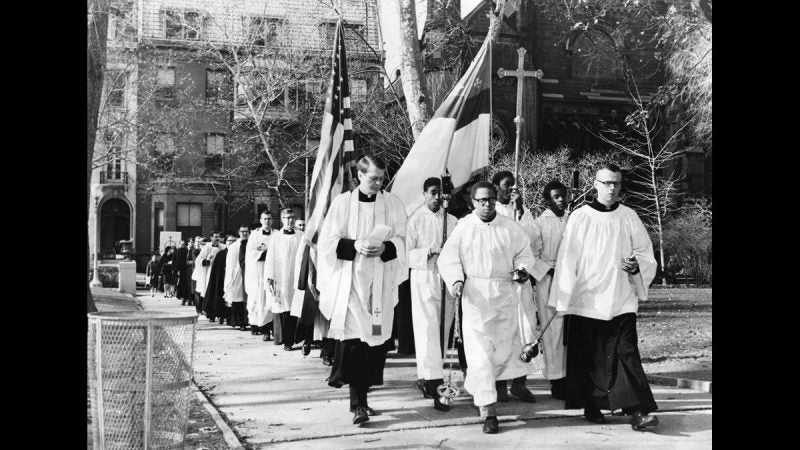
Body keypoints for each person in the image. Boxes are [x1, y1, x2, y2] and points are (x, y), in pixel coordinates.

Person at [551, 163, 659, 431]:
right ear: (595, 185)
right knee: (589, 358)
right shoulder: (580, 217)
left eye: (616, 184)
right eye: (607, 183)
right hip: (587, 299)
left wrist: (637, 266)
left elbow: (644, 252)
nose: (612, 188)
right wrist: (564, 296)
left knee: (626, 352)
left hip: (621, 296)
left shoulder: (629, 216)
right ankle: (591, 405)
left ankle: (638, 411)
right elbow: (567, 258)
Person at [437, 181, 536, 434]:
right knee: (479, 356)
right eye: (481, 200)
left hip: (504, 296)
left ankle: (482, 390)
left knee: (501, 354)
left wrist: (522, 271)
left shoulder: (510, 227)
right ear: (473, 202)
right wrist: (457, 280)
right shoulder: (464, 227)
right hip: (476, 298)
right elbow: (448, 258)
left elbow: (524, 255)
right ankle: (488, 410)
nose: (487, 204)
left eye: (491, 199)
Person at [317, 155, 407, 425]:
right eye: (373, 178)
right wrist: (354, 245)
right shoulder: (343, 203)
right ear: (359, 176)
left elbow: (404, 238)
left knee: (374, 344)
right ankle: (359, 404)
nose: (379, 183)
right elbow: (327, 242)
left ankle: (364, 398)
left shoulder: (392, 203)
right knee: (354, 344)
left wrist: (386, 248)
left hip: (379, 287)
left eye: (382, 178)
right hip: (351, 284)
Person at [406, 177, 458, 411]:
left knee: (442, 329)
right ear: (425, 193)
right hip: (424, 276)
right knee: (427, 329)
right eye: (433, 192)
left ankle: (434, 374)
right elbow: (406, 254)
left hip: (445, 279)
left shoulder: (453, 221)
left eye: (441, 193)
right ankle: (431, 379)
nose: (437, 197)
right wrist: (429, 251)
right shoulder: (415, 219)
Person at [490, 171, 538, 403]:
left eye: (513, 186)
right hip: (501, 283)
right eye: (506, 185)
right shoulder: (492, 212)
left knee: (525, 331)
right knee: (502, 334)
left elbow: (530, 240)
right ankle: (499, 384)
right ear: (495, 187)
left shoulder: (523, 211)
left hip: (521, 283)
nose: (510, 189)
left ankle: (520, 383)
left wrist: (519, 210)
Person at [529, 181, 570, 399]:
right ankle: (556, 380)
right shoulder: (540, 223)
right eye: (556, 197)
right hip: (549, 280)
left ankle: (570, 376)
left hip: (570, 280)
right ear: (548, 199)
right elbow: (531, 255)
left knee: (568, 331)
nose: (561, 200)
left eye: (563, 195)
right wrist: (548, 271)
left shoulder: (573, 220)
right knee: (552, 329)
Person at [266, 208, 306, 350]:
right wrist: (270, 277)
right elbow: (270, 258)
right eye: (286, 217)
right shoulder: (276, 237)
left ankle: (291, 340)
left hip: (295, 277)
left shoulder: (301, 236)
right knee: (283, 308)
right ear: (282, 219)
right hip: (281, 276)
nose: (290, 220)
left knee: (295, 308)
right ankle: (283, 338)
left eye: (292, 217)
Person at [246, 212, 274, 338]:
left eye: (269, 219)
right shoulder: (254, 235)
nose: (267, 221)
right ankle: (263, 329)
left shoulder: (277, 234)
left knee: (272, 298)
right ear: (261, 220)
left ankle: (274, 328)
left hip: (273, 270)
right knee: (260, 299)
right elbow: (250, 253)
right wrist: (263, 253)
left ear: (272, 220)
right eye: (265, 219)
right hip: (259, 271)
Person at [206, 233, 235, 325]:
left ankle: (230, 317)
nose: (231, 242)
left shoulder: (236, 252)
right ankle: (220, 316)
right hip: (221, 279)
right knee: (219, 298)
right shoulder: (221, 254)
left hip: (232, 279)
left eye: (233, 241)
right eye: (229, 241)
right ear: (226, 242)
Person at [226, 225, 250, 330]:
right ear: (238, 232)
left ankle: (248, 321)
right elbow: (230, 263)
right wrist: (230, 278)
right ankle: (240, 322)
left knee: (248, 299)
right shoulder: (234, 246)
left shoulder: (251, 244)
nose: (244, 233)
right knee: (237, 299)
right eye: (242, 231)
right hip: (237, 275)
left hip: (249, 274)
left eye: (246, 231)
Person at [196, 232, 223, 314]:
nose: (217, 238)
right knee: (206, 290)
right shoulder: (207, 247)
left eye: (218, 237)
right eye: (215, 237)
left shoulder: (222, 247)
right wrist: (207, 260)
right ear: (211, 238)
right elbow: (199, 260)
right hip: (208, 271)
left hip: (217, 272)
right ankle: (203, 308)